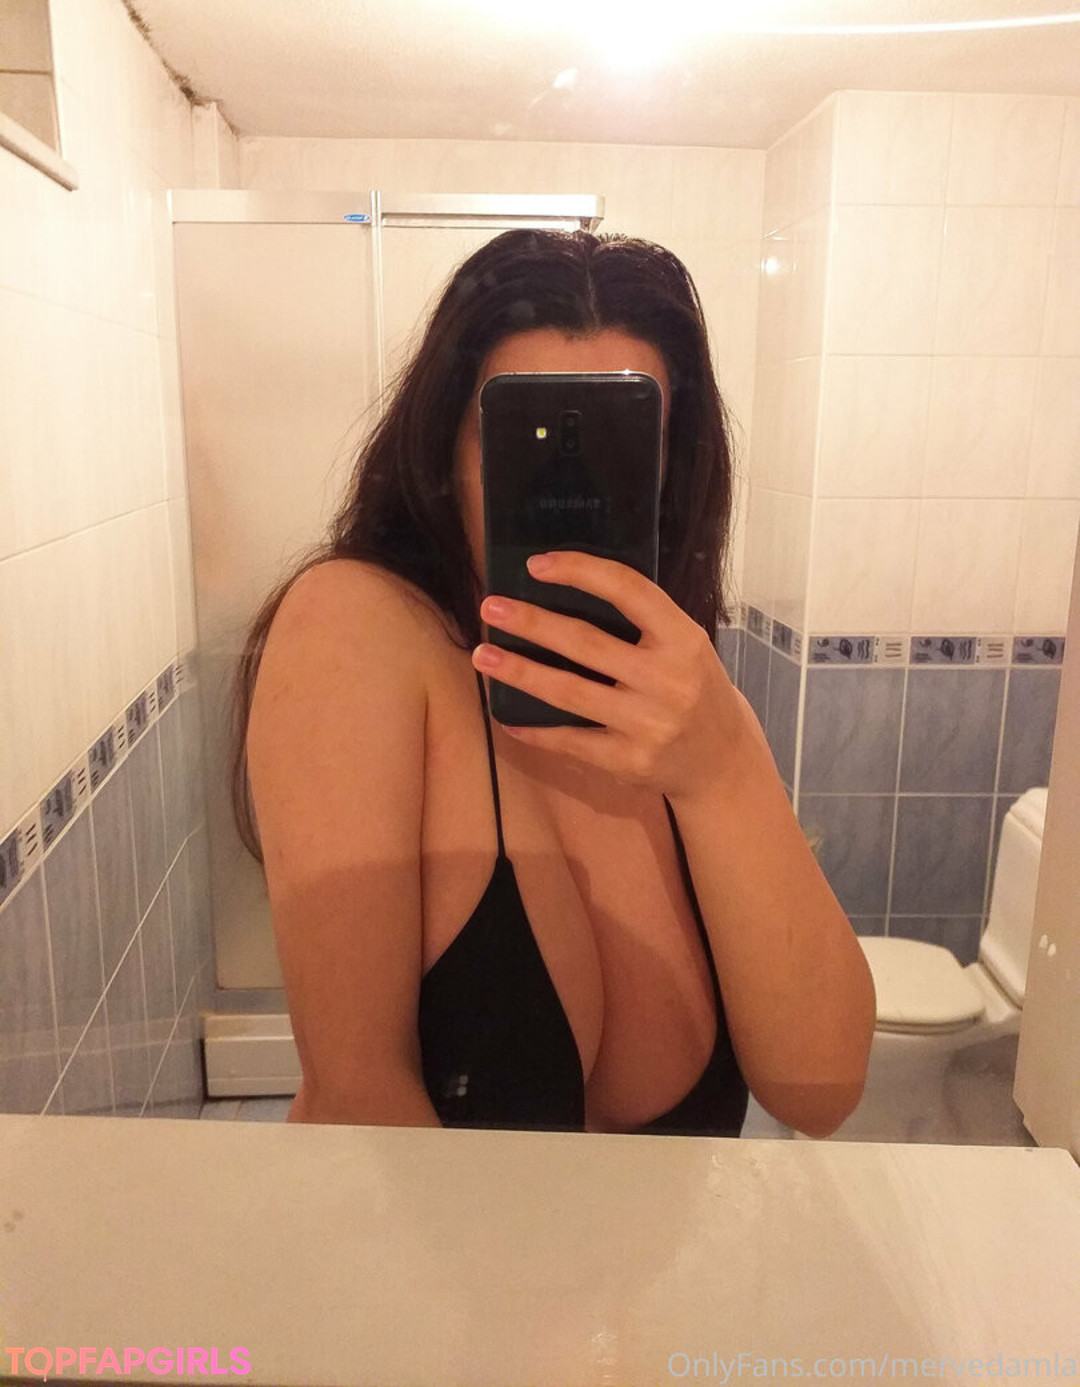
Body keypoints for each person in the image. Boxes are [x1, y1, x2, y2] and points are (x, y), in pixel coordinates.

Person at [231, 229, 876, 1137]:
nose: (569, 486)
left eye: (617, 447)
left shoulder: (690, 715)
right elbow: (356, 1098)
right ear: (446, 455)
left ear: (669, 475)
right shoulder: (361, 628)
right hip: (428, 1237)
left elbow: (823, 1093)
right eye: (521, 440)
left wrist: (724, 767)